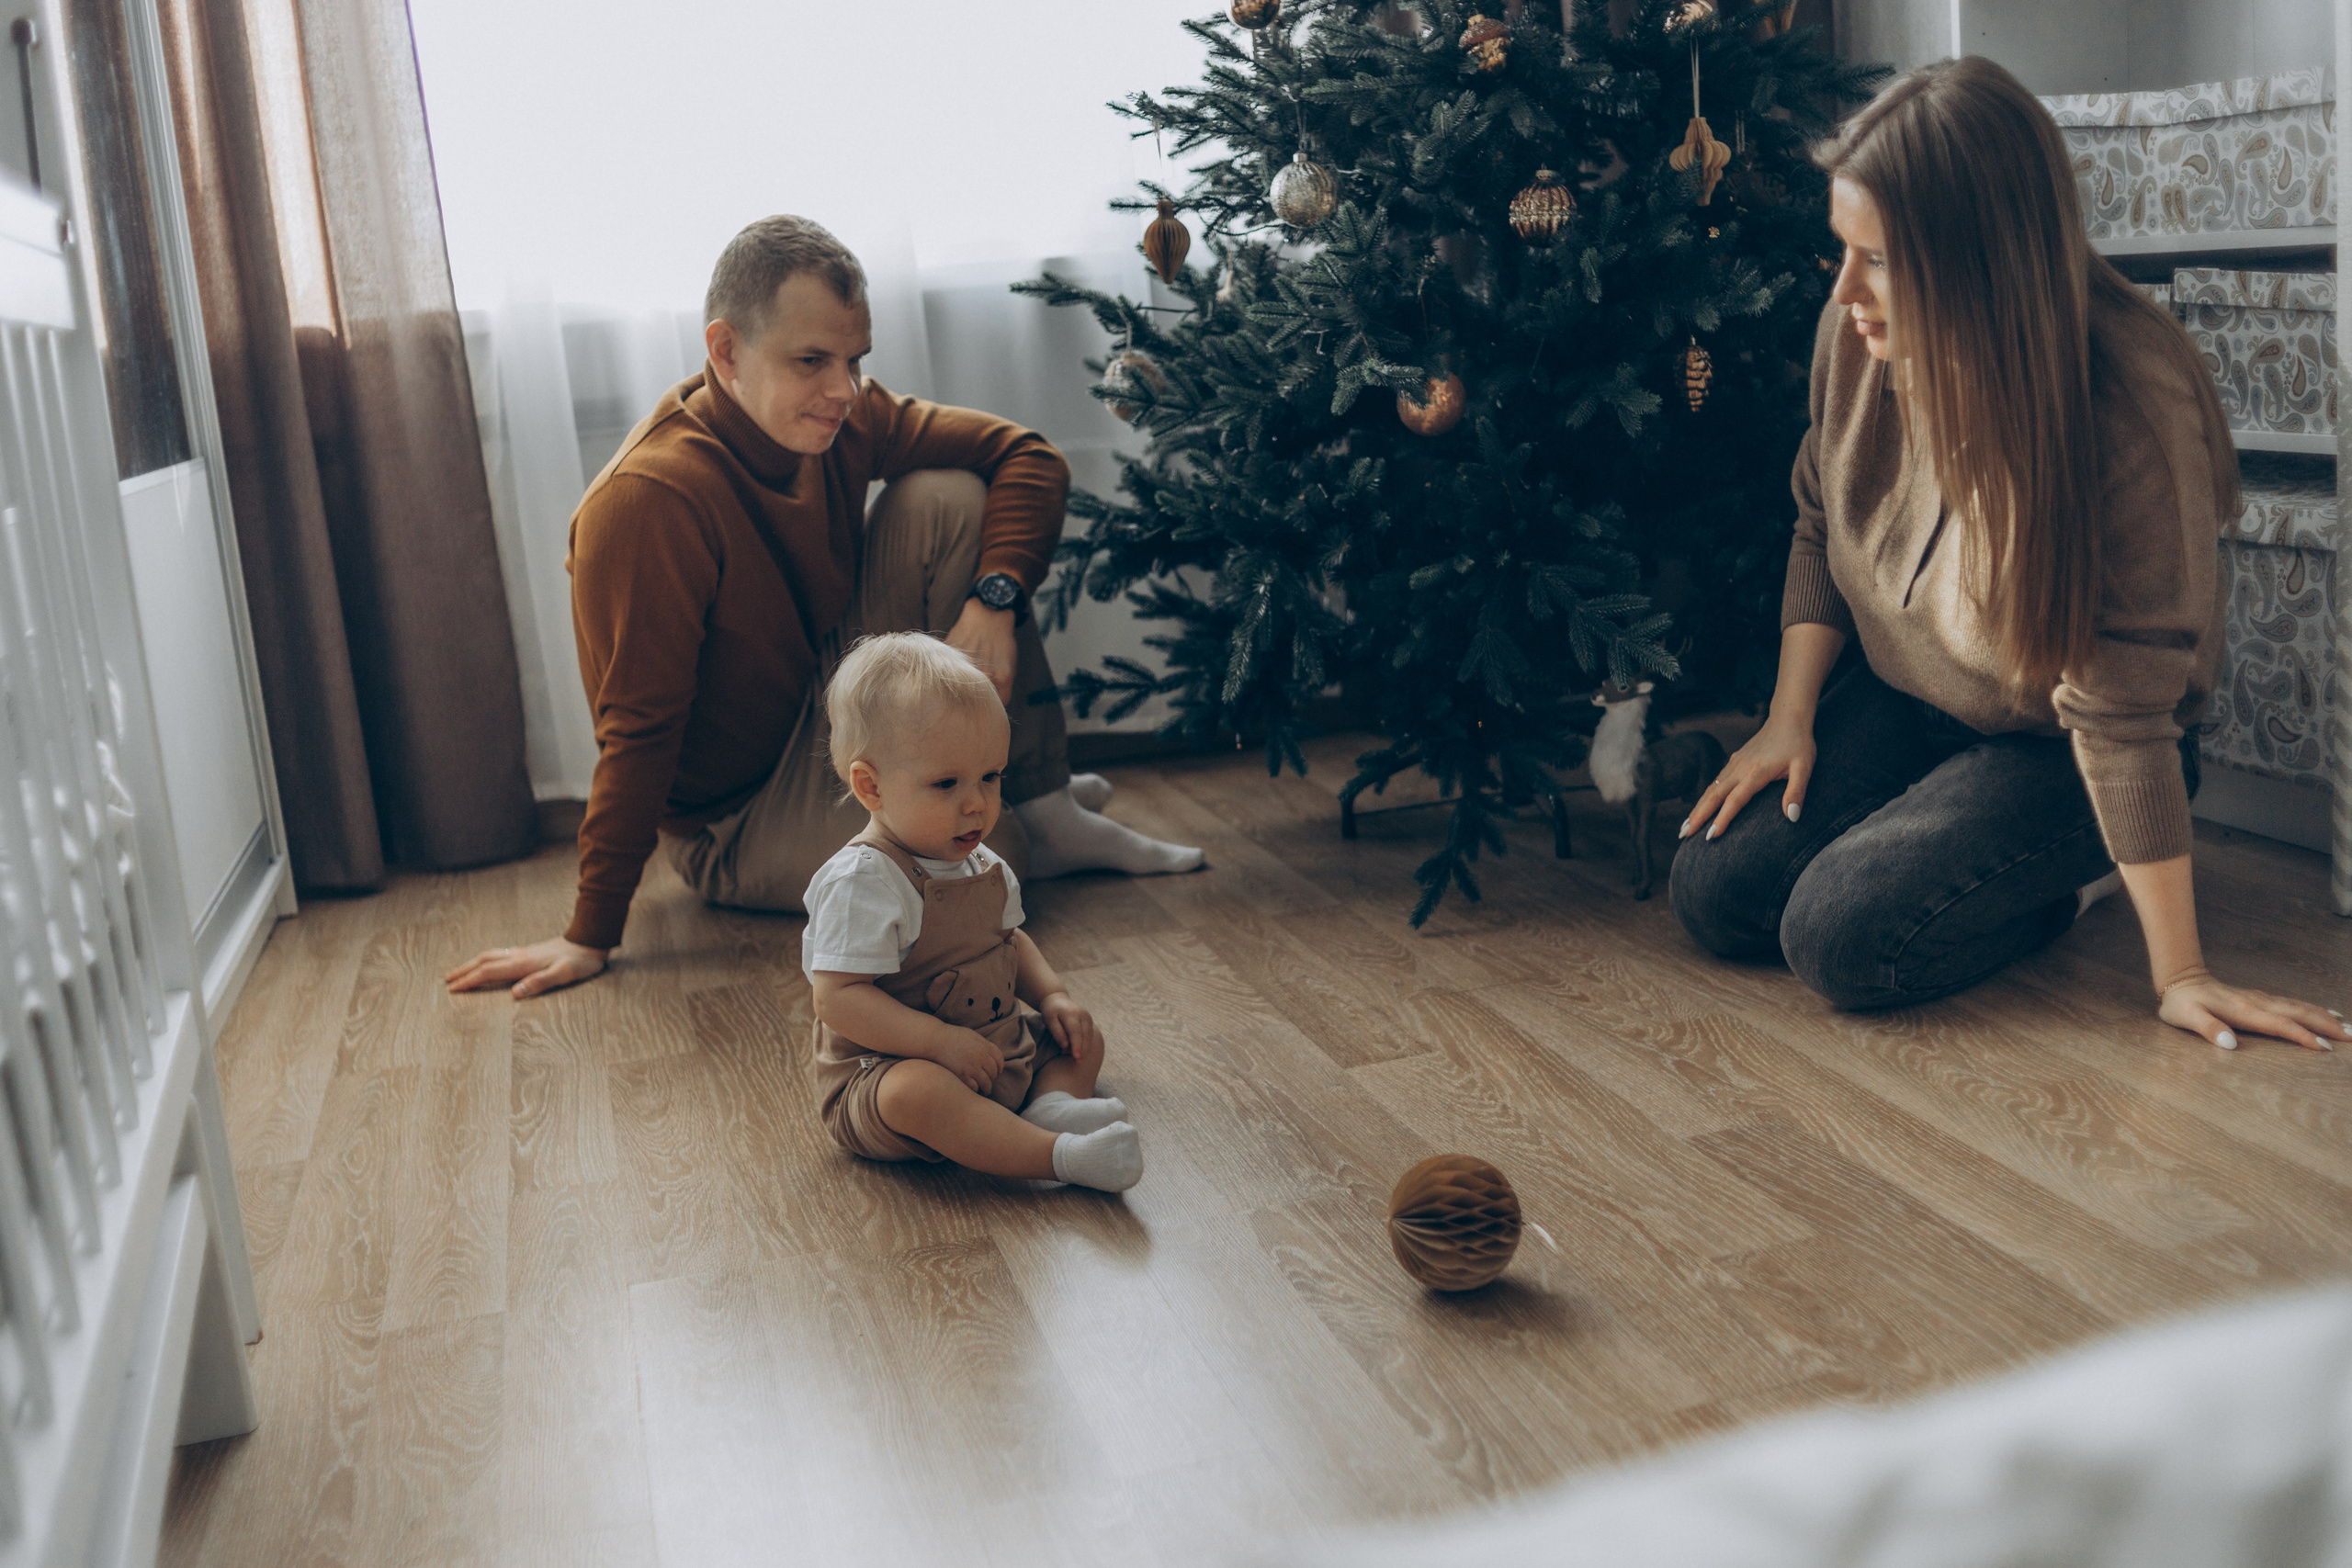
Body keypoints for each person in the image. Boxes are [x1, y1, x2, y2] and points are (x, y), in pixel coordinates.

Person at [1669, 58, 2346, 1054]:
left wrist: (2182, 975)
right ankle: (1940, 840)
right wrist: (1788, 718)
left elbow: (2118, 712)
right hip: (1914, 698)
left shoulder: (2128, 407)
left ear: (1979, 258)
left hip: (2066, 748)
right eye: (1841, 251)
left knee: (1840, 941)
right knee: (1716, 893)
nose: (1845, 289)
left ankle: (2078, 882)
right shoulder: (1857, 332)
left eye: (1880, 259)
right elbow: (1819, 521)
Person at [447, 216, 1202, 1000]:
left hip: (819, 699)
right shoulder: (651, 502)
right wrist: (588, 933)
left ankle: (1046, 803)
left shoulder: (842, 418)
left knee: (948, 495)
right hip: (736, 817)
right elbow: (639, 731)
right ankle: (1017, 822)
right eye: (811, 360)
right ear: (726, 351)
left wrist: (995, 598)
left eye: (854, 360)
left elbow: (1027, 456)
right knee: (983, 860)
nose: (843, 390)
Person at [803, 633, 1143, 1190]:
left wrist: (1053, 997)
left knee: (1081, 1038)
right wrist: (938, 1045)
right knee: (921, 1093)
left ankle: (1050, 1107)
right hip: (885, 1073)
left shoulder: (980, 861)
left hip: (991, 1044)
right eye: (947, 783)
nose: (977, 803)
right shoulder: (863, 881)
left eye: (991, 775)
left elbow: (1011, 941)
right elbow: (837, 998)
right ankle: (1059, 1157)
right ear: (870, 786)